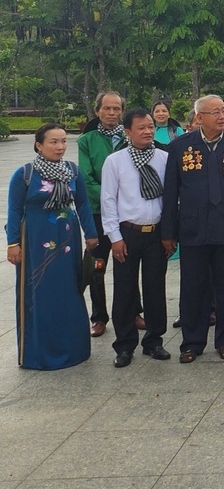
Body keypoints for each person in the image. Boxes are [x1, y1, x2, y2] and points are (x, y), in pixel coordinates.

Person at [162, 95, 224, 363]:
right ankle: (192, 342)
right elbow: (170, 192)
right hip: (193, 228)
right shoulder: (179, 147)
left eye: (223, 111)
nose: (222, 116)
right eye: (215, 112)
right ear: (199, 118)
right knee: (193, 287)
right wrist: (168, 232)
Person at [7, 124, 99, 369]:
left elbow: (82, 205)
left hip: (67, 240)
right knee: (41, 292)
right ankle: (40, 352)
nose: (60, 147)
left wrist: (91, 234)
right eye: (54, 142)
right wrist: (12, 244)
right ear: (39, 145)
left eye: (63, 142)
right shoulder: (25, 174)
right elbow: (15, 211)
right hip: (35, 240)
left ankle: (74, 349)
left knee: (69, 290)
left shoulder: (72, 171)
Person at [101, 110, 171, 367]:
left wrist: (168, 234)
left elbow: (171, 198)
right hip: (127, 234)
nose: (148, 132)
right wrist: (115, 238)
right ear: (127, 132)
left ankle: (154, 340)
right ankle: (124, 345)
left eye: (150, 127)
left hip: (156, 234)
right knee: (125, 290)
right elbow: (108, 200)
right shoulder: (115, 161)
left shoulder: (164, 158)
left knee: (155, 288)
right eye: (141, 128)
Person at [78, 91, 127, 337]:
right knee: (97, 266)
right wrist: (113, 198)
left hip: (125, 215)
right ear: (97, 111)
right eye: (107, 109)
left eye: (116, 109)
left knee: (127, 262)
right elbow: (86, 179)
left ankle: (133, 311)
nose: (111, 114)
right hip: (99, 213)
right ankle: (99, 316)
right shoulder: (86, 140)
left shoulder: (128, 138)